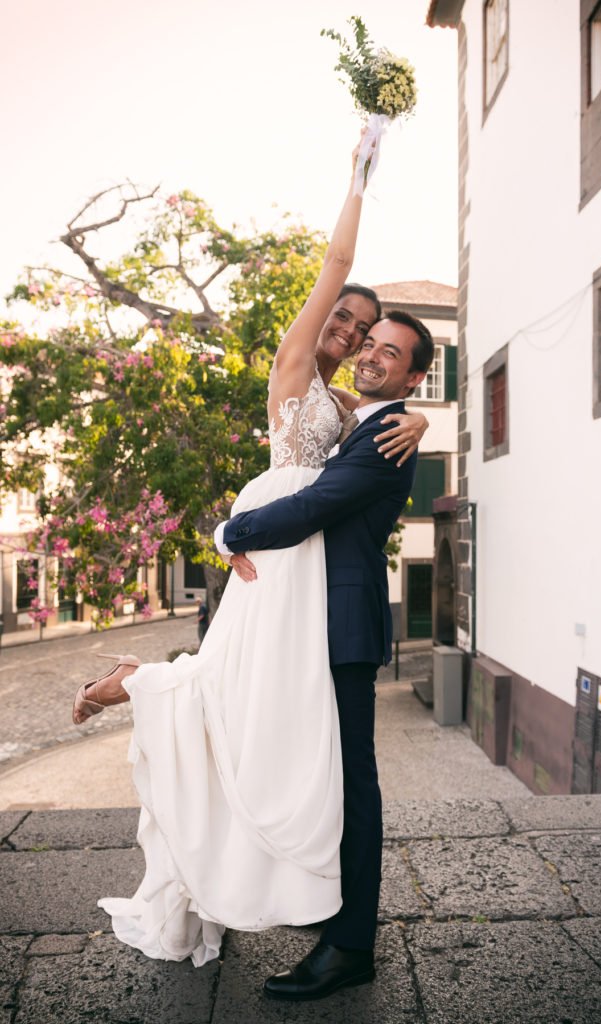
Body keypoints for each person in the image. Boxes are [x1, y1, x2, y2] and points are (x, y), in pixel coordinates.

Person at [70, 134, 428, 968]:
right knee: (230, 691)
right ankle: (128, 684)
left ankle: (134, 689)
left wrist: (417, 417)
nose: (349, 331)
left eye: (365, 328)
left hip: (305, 557)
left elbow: (369, 446)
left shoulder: (357, 403)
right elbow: (335, 263)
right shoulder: (295, 367)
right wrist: (358, 180)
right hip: (276, 537)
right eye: (343, 319)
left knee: (257, 707)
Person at [216, 310, 434, 1001]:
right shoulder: (365, 422)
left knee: (352, 785)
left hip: (342, 624)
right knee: (326, 773)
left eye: (390, 352)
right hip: (318, 617)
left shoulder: (387, 438)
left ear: (416, 377)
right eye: (369, 344)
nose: (371, 356)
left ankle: (349, 948)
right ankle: (335, 917)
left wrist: (228, 530)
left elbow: (314, 506)